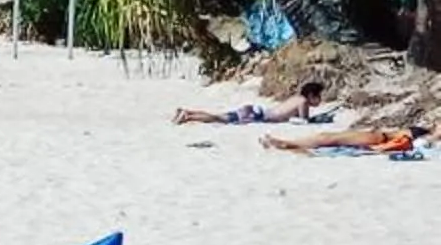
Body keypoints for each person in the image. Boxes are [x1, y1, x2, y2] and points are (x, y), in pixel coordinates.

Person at [175, 82, 327, 125]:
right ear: (311, 96)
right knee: (220, 119)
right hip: (259, 115)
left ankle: (188, 112)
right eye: (318, 97)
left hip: (257, 111)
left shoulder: (296, 98)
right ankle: (189, 117)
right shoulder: (303, 102)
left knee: (222, 116)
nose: (319, 100)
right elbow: (303, 121)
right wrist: (320, 120)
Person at [261, 124, 426, 156]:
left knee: (330, 139)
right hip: (377, 136)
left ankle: (286, 143)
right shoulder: (421, 133)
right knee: (328, 137)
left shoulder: (420, 136)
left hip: (378, 138)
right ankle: (287, 142)